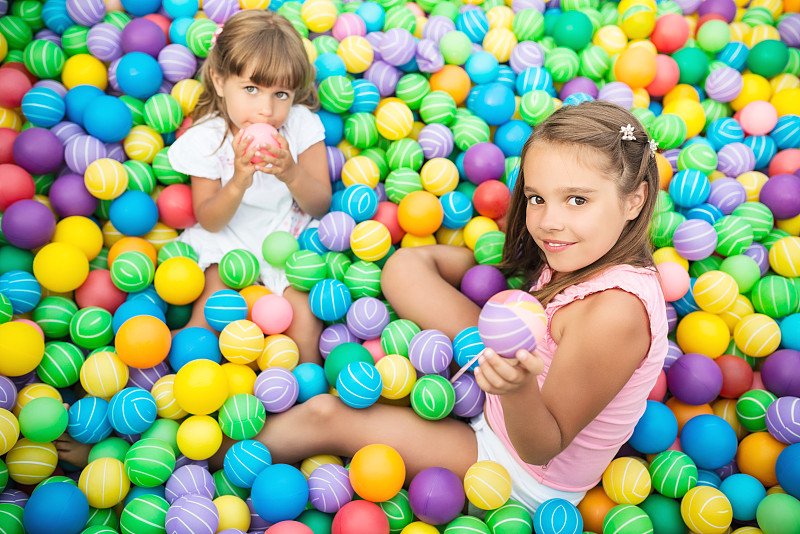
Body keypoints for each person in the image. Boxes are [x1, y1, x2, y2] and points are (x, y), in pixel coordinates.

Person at [246, 100, 668, 514]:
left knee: (326, 414)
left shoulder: (615, 313)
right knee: (404, 269)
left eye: (577, 200)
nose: (549, 222)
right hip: (501, 373)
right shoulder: (582, 247)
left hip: (513, 468)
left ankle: (213, 455)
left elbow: (541, 447)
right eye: (537, 198)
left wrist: (516, 388)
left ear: (634, 200)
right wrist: (486, 266)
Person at [167, 10, 331, 363]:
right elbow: (209, 219)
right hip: (227, 240)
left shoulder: (301, 127)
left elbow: (320, 204)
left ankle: (302, 400)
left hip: (287, 238)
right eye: (251, 89)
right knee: (211, 313)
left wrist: (291, 173)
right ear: (219, 80)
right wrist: (239, 181)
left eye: (281, 94)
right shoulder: (208, 139)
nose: (266, 110)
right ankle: (191, 382)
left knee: (303, 322)